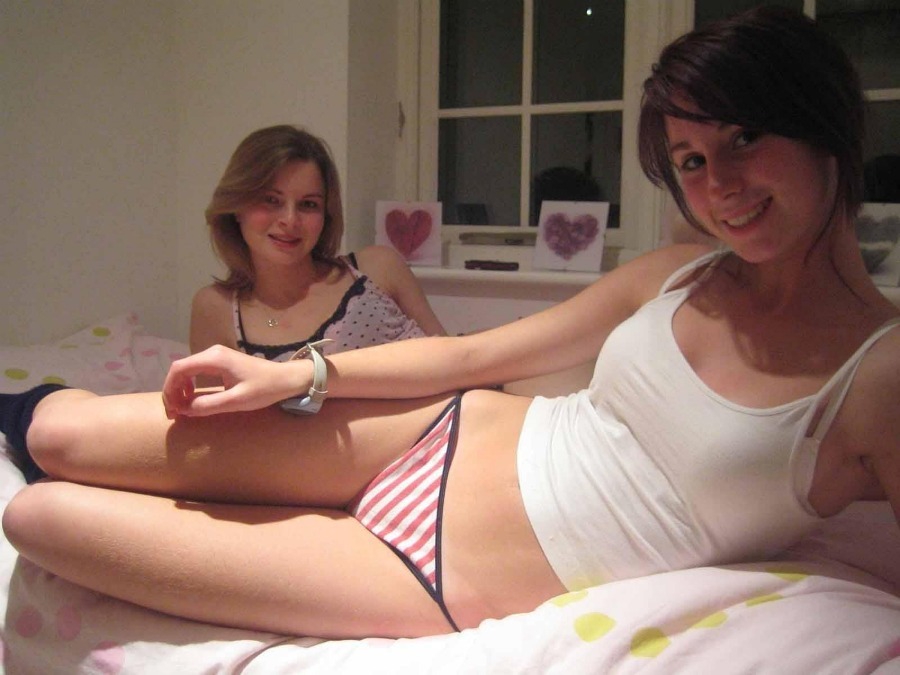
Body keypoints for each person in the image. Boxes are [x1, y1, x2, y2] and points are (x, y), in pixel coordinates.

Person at [2, 6, 899, 641]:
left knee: (41, 518)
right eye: (692, 161)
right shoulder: (679, 274)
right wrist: (296, 373)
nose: (719, 185)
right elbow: (470, 352)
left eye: (743, 138)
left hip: (435, 572)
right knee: (59, 433)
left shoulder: (881, 368)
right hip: (433, 430)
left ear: (826, 126)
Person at [190, 124, 445, 367]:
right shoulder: (215, 308)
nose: (290, 220)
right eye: (271, 200)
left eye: (308, 204)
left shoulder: (378, 269)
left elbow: (456, 362)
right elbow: (212, 400)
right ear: (236, 207)